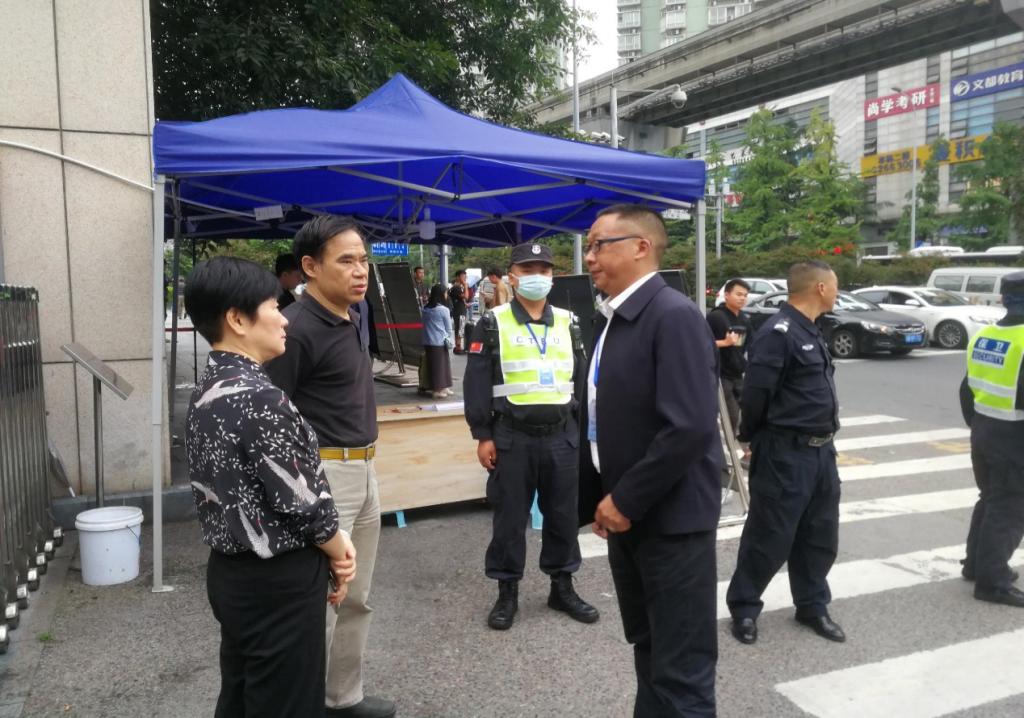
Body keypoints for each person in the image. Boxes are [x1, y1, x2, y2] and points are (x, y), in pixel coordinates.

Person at [184, 256, 357, 718]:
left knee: (243, 695)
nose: (284, 319)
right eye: (273, 307)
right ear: (237, 320)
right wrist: (340, 549)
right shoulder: (259, 397)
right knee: (286, 702)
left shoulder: (208, 389)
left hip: (232, 574)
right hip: (278, 579)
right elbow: (300, 502)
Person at [579, 204, 722, 717]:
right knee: (649, 647)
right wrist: (603, 500)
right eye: (588, 246)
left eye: (599, 245)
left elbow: (689, 426)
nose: (588, 257)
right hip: (631, 516)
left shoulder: (672, 316)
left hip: (670, 522)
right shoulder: (615, 319)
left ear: (641, 247)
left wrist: (625, 499)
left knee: (681, 670)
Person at [265, 216, 396, 718]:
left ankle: (343, 697)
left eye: (363, 259)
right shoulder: (294, 330)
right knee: (320, 600)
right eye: (346, 261)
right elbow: (272, 423)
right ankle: (303, 705)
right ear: (310, 266)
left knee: (356, 596)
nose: (360, 270)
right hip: (323, 477)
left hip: (364, 470)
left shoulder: (352, 315)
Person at [464, 242, 598, 631]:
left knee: (563, 516)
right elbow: (476, 382)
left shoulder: (570, 322)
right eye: (527, 270)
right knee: (510, 519)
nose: (536, 276)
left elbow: (581, 379)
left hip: (562, 436)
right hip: (512, 437)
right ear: (512, 276)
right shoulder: (493, 322)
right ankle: (507, 592)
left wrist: (581, 429)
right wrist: (482, 434)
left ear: (553, 277)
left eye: (544, 269)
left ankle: (562, 587)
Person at [726, 260, 844, 647]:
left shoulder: (812, 329)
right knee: (769, 534)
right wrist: (751, 439)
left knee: (819, 533)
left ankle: (812, 605)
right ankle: (744, 607)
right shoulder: (778, 333)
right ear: (820, 288)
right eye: (835, 285)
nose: (837, 292)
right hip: (785, 452)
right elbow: (756, 395)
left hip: (821, 453)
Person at [959, 270, 1024, 607]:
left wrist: (978, 424)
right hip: (1014, 436)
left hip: (984, 429)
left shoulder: (984, 336)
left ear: (1004, 299)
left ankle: (975, 564)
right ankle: (992, 581)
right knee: (1009, 506)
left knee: (990, 498)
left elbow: (966, 389)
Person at [707, 278, 752, 455]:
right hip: (720, 374)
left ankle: (737, 448)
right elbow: (700, 342)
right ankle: (729, 453)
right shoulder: (716, 317)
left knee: (743, 412)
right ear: (726, 295)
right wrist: (724, 343)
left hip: (738, 373)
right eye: (738, 294)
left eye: (745, 295)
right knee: (730, 415)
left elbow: (750, 344)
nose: (742, 298)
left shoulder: (744, 318)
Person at [420, 284, 455, 399]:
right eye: (445, 293)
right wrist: (448, 338)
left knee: (436, 365)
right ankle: (437, 390)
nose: (446, 295)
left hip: (428, 341)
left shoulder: (425, 309)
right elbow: (448, 329)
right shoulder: (443, 310)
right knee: (441, 366)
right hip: (440, 342)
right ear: (441, 294)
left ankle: (443, 387)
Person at [449, 270, 470, 353]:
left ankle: (458, 346)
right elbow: (466, 297)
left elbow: (462, 299)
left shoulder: (458, 287)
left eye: (465, 277)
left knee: (460, 328)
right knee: (460, 329)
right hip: (459, 312)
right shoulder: (456, 288)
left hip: (460, 310)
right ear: (457, 277)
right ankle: (458, 347)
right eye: (463, 276)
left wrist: (465, 304)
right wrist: (466, 286)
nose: (464, 278)